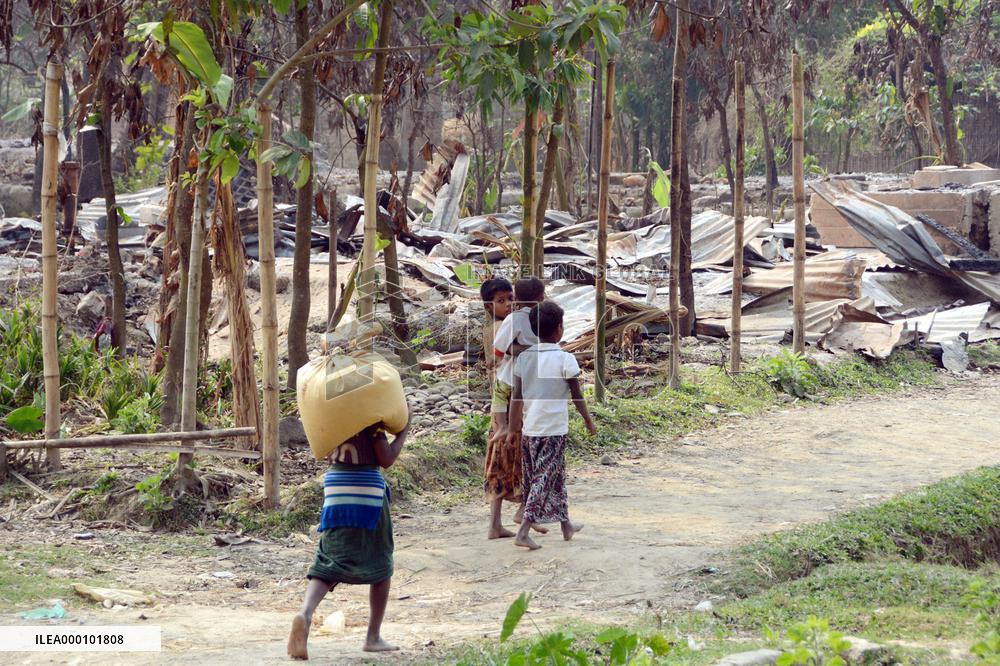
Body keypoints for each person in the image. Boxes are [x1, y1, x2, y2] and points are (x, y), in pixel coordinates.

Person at [287, 414, 411, 660]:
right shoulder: (367, 413)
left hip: (335, 483)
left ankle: (306, 613)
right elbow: (386, 459)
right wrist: (403, 432)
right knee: (381, 559)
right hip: (367, 485)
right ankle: (373, 636)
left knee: (329, 556)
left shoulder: (333, 411)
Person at [508, 301, 596, 550]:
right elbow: (577, 396)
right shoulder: (565, 359)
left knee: (553, 476)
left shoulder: (524, 358)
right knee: (544, 478)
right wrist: (588, 420)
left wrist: (514, 428)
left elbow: (516, 396)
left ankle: (566, 524)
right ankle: (524, 530)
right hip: (553, 430)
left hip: (530, 429)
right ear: (559, 329)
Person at [485, 277, 546, 539]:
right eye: (502, 300)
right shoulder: (501, 326)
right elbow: (499, 352)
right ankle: (519, 515)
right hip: (515, 396)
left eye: (511, 299)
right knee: (513, 454)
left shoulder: (520, 320)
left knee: (516, 455)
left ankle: (511, 518)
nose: (509, 304)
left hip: (517, 391)